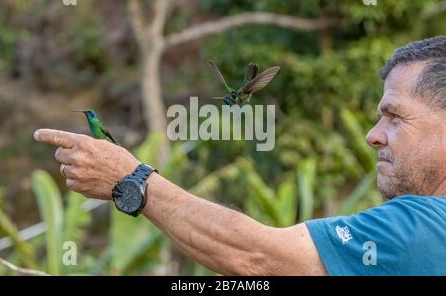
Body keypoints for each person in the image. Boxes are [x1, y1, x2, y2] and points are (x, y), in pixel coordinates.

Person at [33, 36, 446, 275]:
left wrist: (134, 178)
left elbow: (258, 257)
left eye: (394, 117)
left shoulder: (420, 228)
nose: (373, 136)